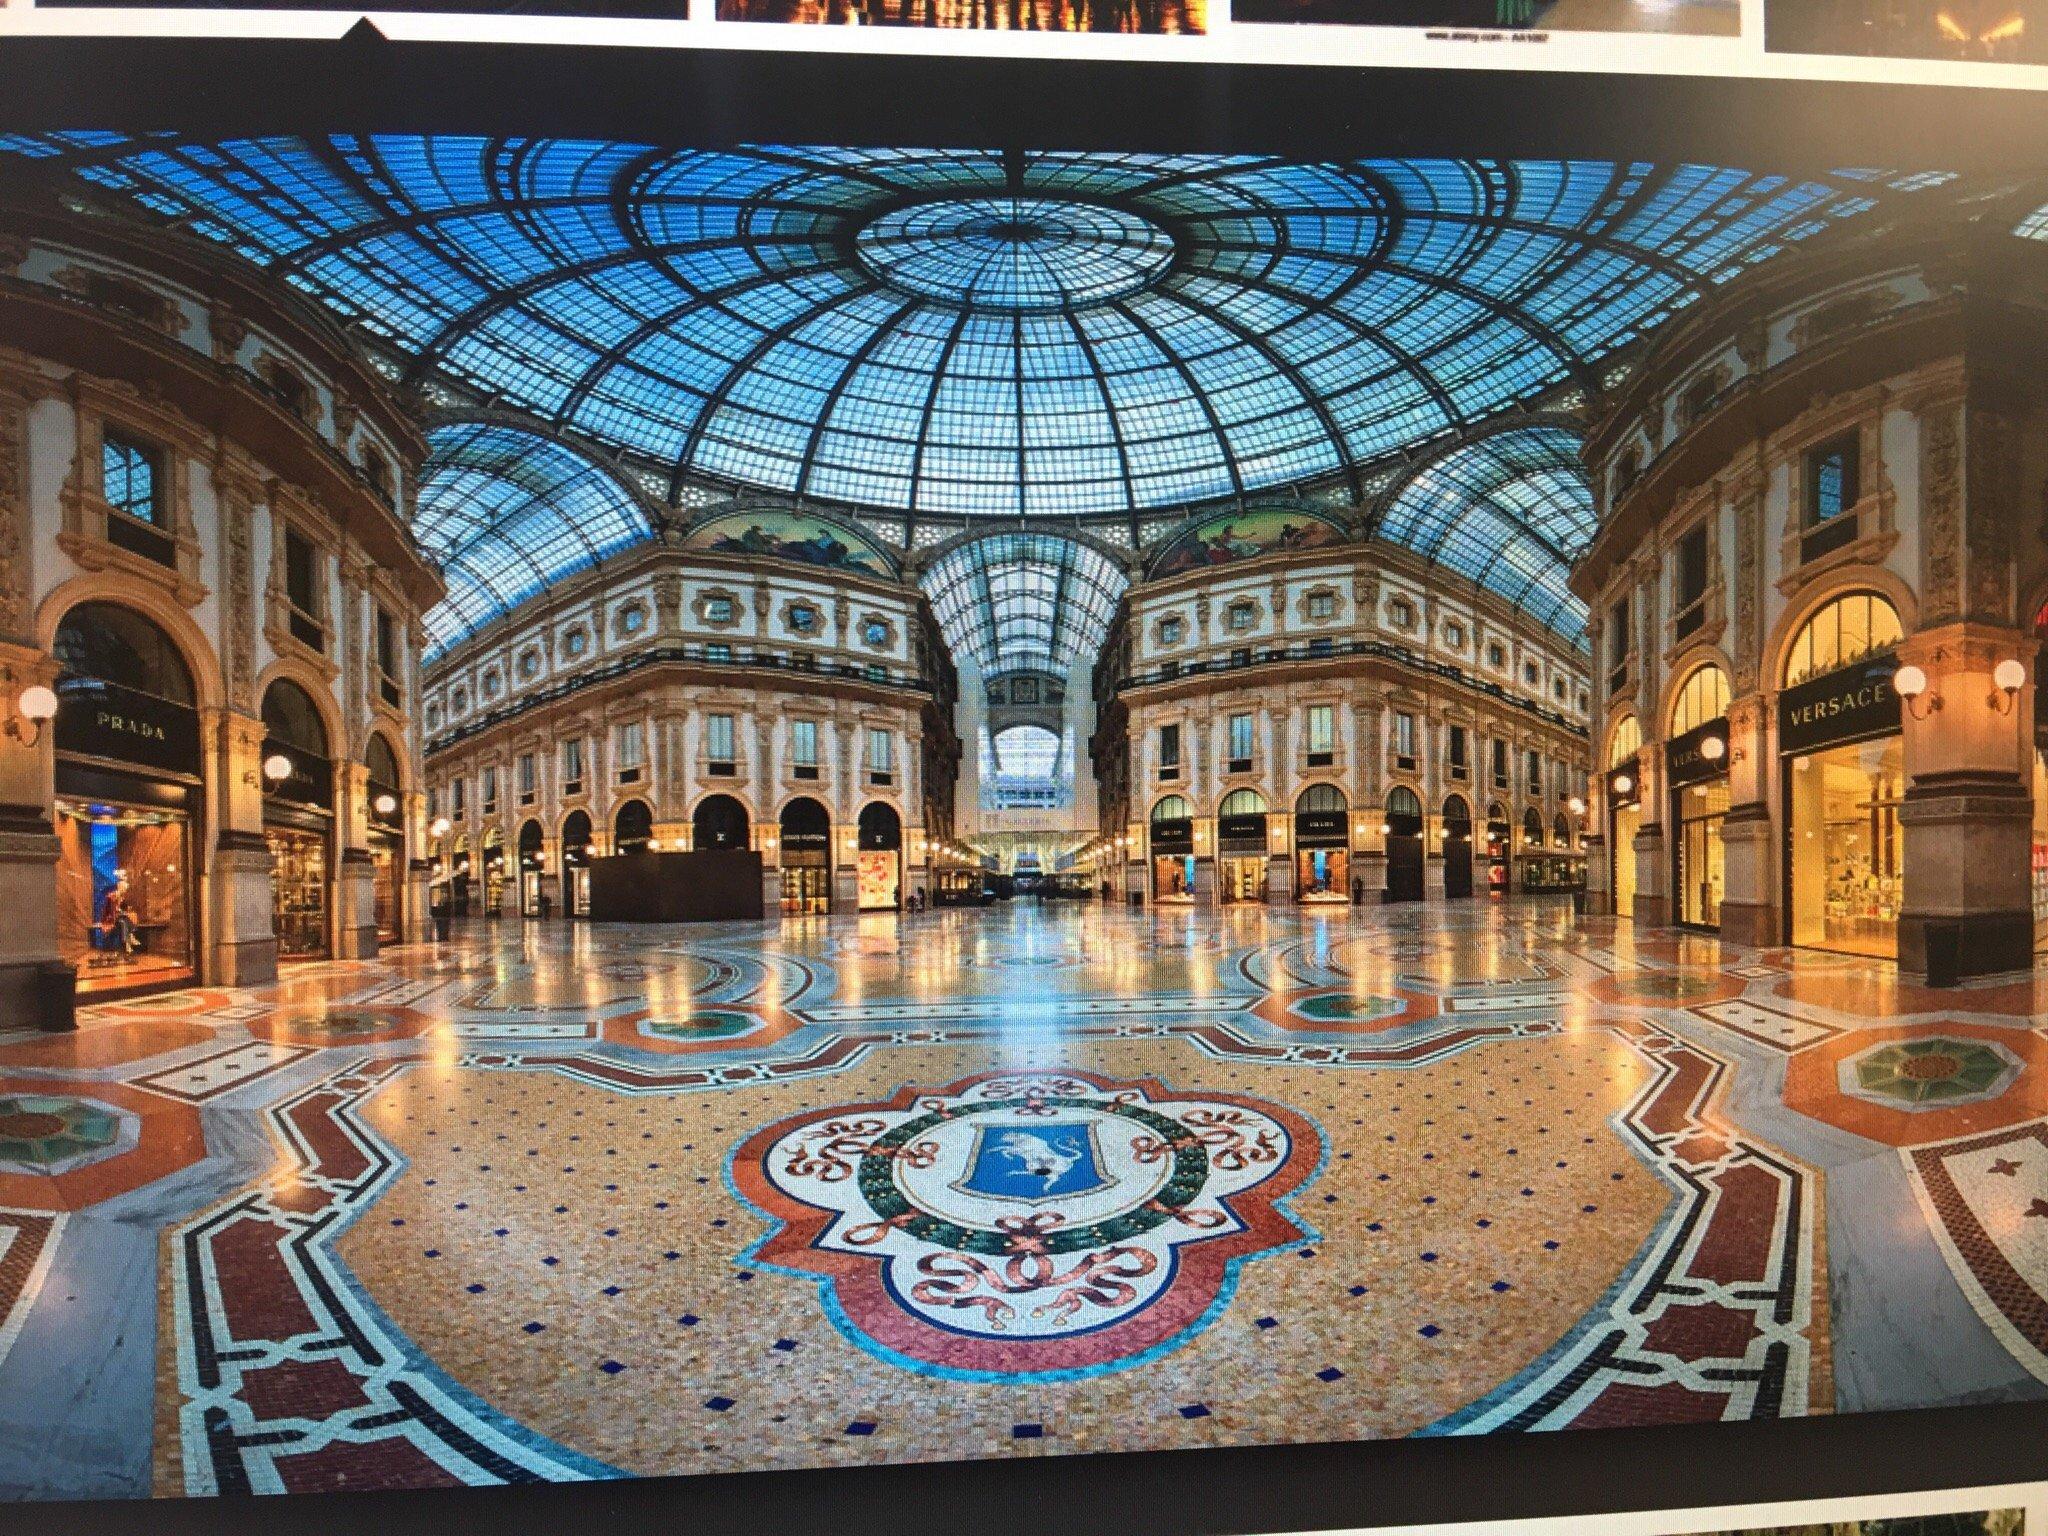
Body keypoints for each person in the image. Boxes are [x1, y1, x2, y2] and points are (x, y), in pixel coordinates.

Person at [98, 876, 140, 955]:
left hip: (119, 918)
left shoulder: (121, 897)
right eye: (124, 889)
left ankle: (127, 942)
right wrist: (118, 911)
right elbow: (108, 910)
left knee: (124, 921)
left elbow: (124, 908)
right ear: (120, 888)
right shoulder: (112, 896)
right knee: (124, 918)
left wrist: (124, 909)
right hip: (110, 918)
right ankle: (129, 937)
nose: (125, 891)